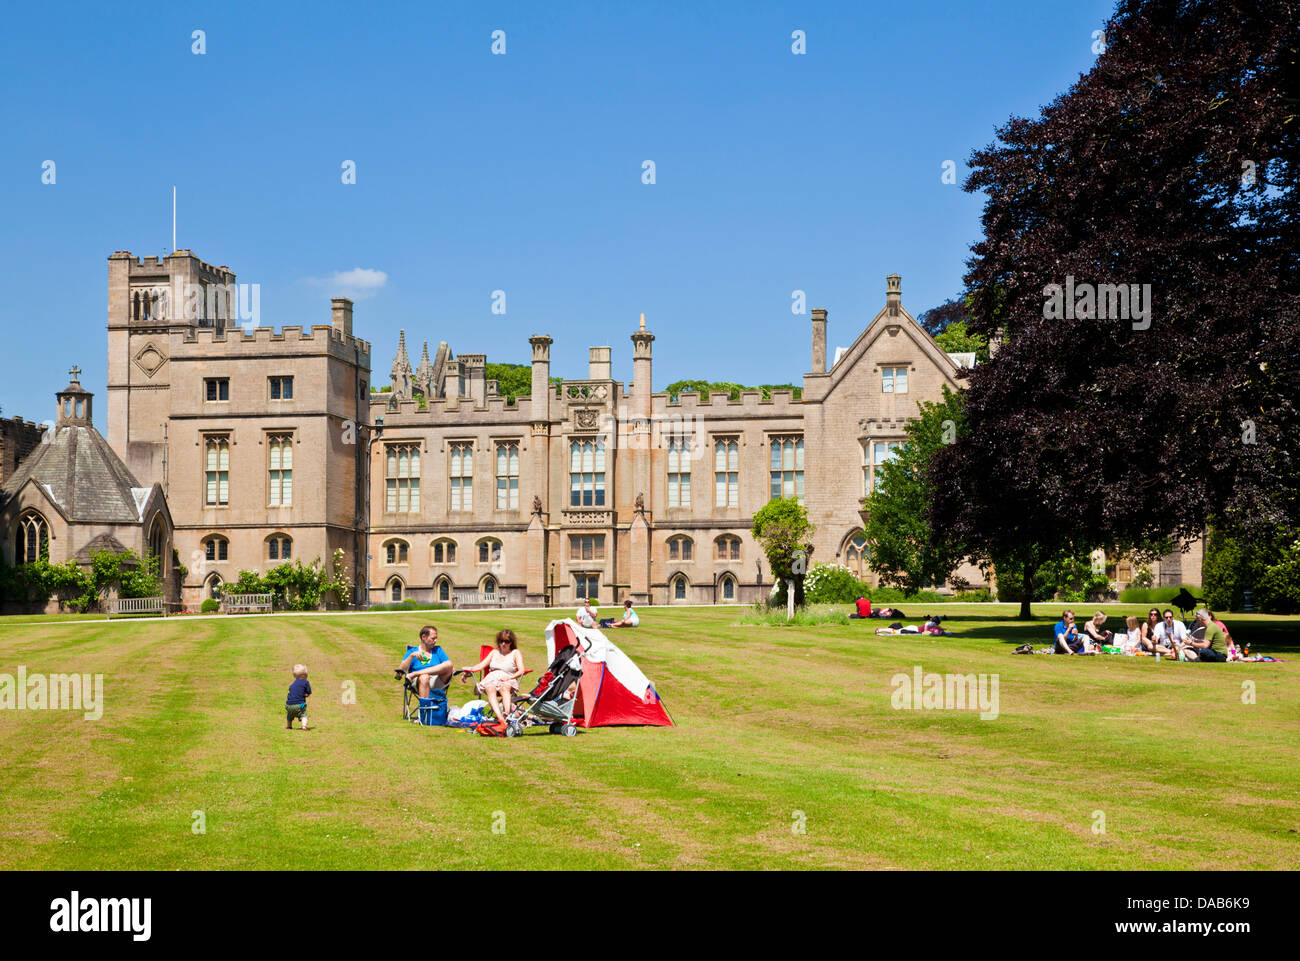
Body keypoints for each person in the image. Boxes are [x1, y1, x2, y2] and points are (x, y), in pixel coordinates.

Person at [459, 629, 526, 721]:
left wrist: (510, 677)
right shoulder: (494, 652)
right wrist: (468, 671)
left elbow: (521, 670)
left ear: (511, 642)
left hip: (507, 678)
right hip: (492, 678)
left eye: (506, 641)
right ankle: (500, 718)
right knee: (490, 688)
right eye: (501, 641)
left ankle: (507, 714)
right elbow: (481, 665)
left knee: (505, 688)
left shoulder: (515, 653)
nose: (503, 644)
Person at [398, 625, 455, 698]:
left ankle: (415, 673)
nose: (435, 641)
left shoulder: (438, 650)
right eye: (433, 638)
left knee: (449, 664)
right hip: (419, 682)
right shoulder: (412, 651)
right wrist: (411, 656)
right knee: (424, 677)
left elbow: (450, 666)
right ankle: (425, 708)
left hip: (437, 681)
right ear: (423, 637)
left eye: (436, 638)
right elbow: (400, 672)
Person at [285, 663, 311, 730]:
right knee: (304, 714)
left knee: (290, 715)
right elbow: (308, 693)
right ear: (304, 675)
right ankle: (304, 726)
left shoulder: (293, 684)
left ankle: (289, 726)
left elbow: (291, 692)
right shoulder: (306, 682)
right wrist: (306, 695)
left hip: (288, 705)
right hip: (299, 705)